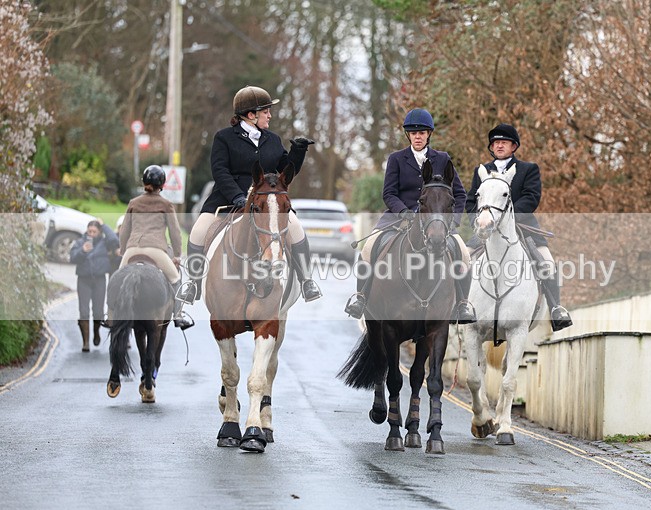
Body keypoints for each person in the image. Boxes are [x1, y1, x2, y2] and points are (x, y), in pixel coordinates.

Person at [183, 85, 320, 303]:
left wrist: (298, 152)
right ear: (250, 115)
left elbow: (286, 174)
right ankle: (192, 283)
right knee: (198, 232)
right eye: (266, 111)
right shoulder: (224, 138)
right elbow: (220, 171)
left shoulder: (273, 140)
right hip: (227, 200)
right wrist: (237, 195)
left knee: (296, 228)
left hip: (266, 203)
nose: (270, 115)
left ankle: (306, 281)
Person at [344, 108, 475, 323]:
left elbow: (459, 194)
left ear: (428, 134)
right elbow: (389, 193)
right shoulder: (396, 159)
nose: (418, 137)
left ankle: (462, 305)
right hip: (398, 217)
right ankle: (361, 297)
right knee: (368, 249)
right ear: (408, 135)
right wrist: (404, 213)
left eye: (422, 133)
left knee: (464, 254)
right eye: (413, 133)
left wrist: (453, 222)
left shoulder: (442, 159)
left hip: (437, 221)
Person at [465, 123, 573, 332]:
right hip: (486, 228)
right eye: (495, 143)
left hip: (523, 227)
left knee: (547, 263)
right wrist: (476, 222)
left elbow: (532, 198)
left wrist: (507, 219)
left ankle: (556, 309)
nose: (499, 146)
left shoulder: (528, 169)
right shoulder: (481, 171)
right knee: (463, 260)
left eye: (504, 142)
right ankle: (460, 306)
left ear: (514, 146)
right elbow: (471, 201)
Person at [117, 165, 194, 330]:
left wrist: (123, 250)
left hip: (133, 249)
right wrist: (177, 256)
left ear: (143, 182)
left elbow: (124, 230)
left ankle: (112, 314)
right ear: (162, 184)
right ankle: (178, 315)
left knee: (118, 280)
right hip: (155, 250)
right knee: (176, 279)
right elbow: (175, 233)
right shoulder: (166, 204)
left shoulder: (133, 203)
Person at [69, 219, 119, 351]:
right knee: (83, 312)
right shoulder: (80, 242)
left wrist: (103, 225)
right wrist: (83, 251)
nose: (91, 234)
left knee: (98, 312)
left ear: (99, 232)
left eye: (94, 231)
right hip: (83, 280)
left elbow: (114, 240)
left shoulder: (105, 243)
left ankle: (96, 333)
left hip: (99, 280)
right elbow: (72, 258)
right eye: (89, 231)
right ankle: (85, 342)